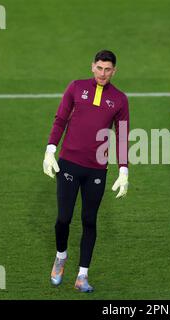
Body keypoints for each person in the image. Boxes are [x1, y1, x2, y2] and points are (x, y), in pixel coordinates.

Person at [43, 50, 129, 292]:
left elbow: (122, 136)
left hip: (96, 170)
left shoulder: (120, 99)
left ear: (114, 71)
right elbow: (60, 119)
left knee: (89, 220)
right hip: (68, 163)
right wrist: (50, 149)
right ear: (92, 67)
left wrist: (124, 171)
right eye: (99, 68)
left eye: (108, 69)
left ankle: (82, 276)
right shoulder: (76, 87)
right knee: (63, 219)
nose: (103, 73)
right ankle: (61, 256)